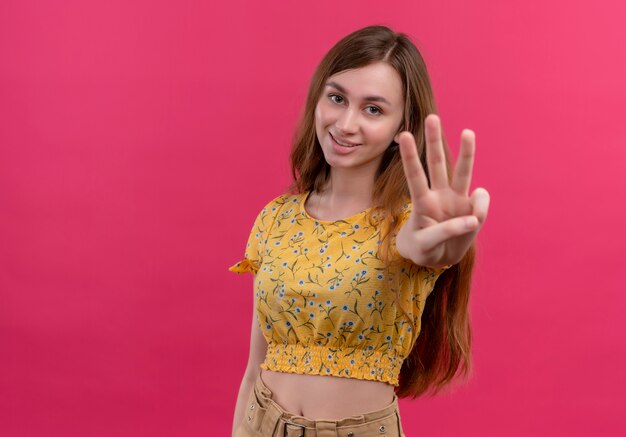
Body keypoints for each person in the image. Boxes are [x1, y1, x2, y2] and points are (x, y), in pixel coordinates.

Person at [229, 25, 490, 437]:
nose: (346, 123)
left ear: (402, 126)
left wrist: (443, 245)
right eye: (337, 98)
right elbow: (252, 370)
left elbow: (422, 247)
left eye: (373, 109)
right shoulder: (276, 218)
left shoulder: (407, 224)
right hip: (261, 424)